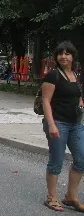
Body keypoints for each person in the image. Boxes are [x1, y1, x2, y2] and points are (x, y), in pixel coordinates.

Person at [41, 41, 84, 212]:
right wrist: (51, 125)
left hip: (75, 124)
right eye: (60, 53)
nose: (63, 56)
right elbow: (45, 101)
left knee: (81, 159)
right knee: (56, 161)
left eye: (67, 53)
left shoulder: (76, 74)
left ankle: (71, 197)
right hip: (58, 122)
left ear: (73, 56)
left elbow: (77, 95)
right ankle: (52, 197)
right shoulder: (53, 75)